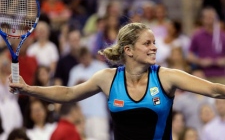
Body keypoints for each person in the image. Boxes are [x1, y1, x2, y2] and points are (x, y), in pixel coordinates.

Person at [8, 22, 225, 140]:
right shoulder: (107, 78)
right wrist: (29, 88)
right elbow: (68, 94)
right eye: (147, 43)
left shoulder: (166, 77)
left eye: (154, 42)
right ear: (129, 50)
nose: (154, 47)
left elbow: (215, 90)